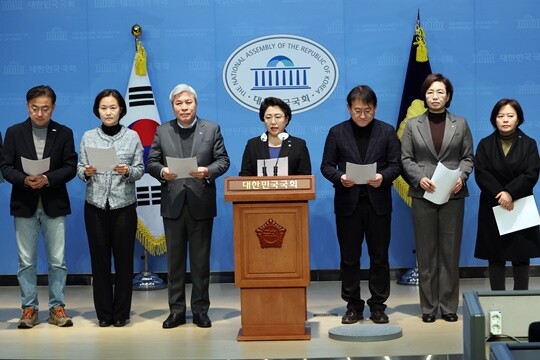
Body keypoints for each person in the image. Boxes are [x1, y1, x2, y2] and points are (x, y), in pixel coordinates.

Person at [147, 84, 230, 329]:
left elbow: (223, 160)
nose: (184, 107)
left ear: (196, 104)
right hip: (172, 203)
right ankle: (176, 312)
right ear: (173, 106)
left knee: (200, 262)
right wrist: (162, 171)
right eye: (178, 103)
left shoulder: (211, 129)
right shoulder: (162, 131)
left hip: (200, 203)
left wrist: (207, 171)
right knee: (174, 263)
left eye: (188, 102)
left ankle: (201, 310)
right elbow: (151, 162)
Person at [321, 85, 401, 324]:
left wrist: (383, 177)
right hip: (348, 203)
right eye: (357, 110)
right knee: (349, 258)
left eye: (367, 110)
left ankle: (378, 305)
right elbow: (326, 166)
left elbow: (396, 164)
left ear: (375, 108)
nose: (363, 115)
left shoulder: (387, 132)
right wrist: (340, 178)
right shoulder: (337, 132)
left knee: (379, 257)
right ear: (348, 109)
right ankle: (353, 306)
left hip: (378, 204)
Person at [0, 85, 77, 329]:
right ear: (27, 107)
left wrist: (48, 178)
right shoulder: (13, 132)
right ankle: (29, 308)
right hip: (24, 202)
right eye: (35, 108)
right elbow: (5, 166)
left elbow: (70, 166)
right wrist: (24, 179)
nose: (40, 113)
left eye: (45, 108)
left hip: (54, 202)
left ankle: (56, 307)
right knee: (26, 261)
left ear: (53, 108)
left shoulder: (64, 133)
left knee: (57, 261)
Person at [401, 73, 474, 323]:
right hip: (424, 194)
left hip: (453, 195)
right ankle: (429, 308)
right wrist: (419, 178)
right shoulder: (413, 125)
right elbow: (406, 159)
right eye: (431, 92)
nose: (435, 97)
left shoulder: (460, 124)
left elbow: (467, 158)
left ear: (448, 96)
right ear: (425, 95)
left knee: (449, 254)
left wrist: (461, 178)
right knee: (426, 253)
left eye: (440, 92)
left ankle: (449, 306)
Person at [77, 89, 144, 327]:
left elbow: (140, 170)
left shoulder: (132, 137)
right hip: (95, 205)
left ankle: (121, 314)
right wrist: (86, 172)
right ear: (97, 110)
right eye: (104, 108)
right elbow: (79, 168)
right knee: (100, 261)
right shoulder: (88, 136)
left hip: (123, 205)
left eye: (113, 107)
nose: (108, 112)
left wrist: (127, 171)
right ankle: (104, 314)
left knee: (124, 261)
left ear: (121, 110)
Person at [474, 98, 540, 290]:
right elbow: (481, 173)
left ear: (518, 119)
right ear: (494, 119)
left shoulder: (529, 144)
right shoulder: (485, 144)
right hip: (493, 204)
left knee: (521, 257)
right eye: (500, 116)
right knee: (496, 258)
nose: (505, 120)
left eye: (510, 116)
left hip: (519, 205)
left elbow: (532, 173)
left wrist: (510, 193)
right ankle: (497, 301)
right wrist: (500, 194)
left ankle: (520, 300)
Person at [239, 97, 311, 176]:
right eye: (268, 117)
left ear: (286, 119)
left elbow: (305, 178)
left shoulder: (298, 145)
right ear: (263, 119)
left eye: (278, 117)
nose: (273, 122)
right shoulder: (253, 145)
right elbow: (245, 176)